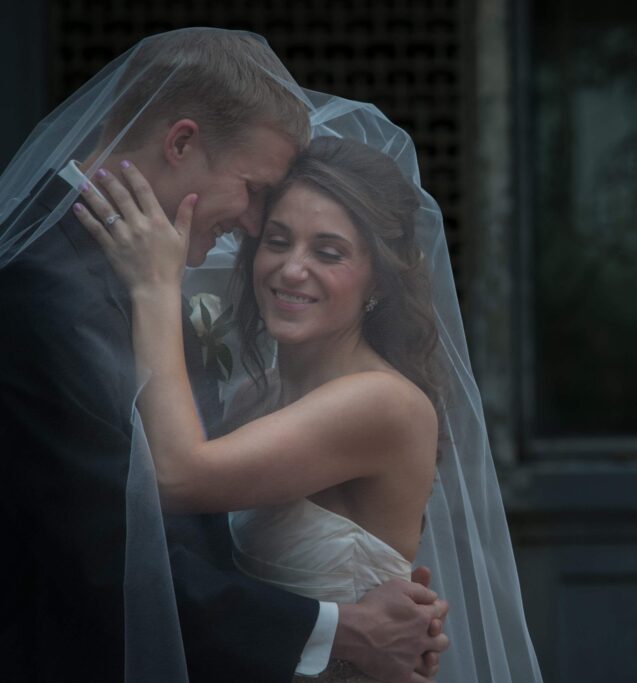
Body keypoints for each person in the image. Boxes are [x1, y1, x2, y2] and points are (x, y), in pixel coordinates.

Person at [0, 29, 447, 683]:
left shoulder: (144, 277)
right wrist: (345, 628)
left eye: (327, 250)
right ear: (181, 142)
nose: (251, 224)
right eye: (257, 191)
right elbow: (115, 557)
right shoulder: (39, 288)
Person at [76, 131, 446, 683]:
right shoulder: (257, 394)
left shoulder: (382, 402)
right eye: (277, 240)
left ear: (378, 281)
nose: (291, 269)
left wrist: (154, 285)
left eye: (328, 252)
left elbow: (175, 477)